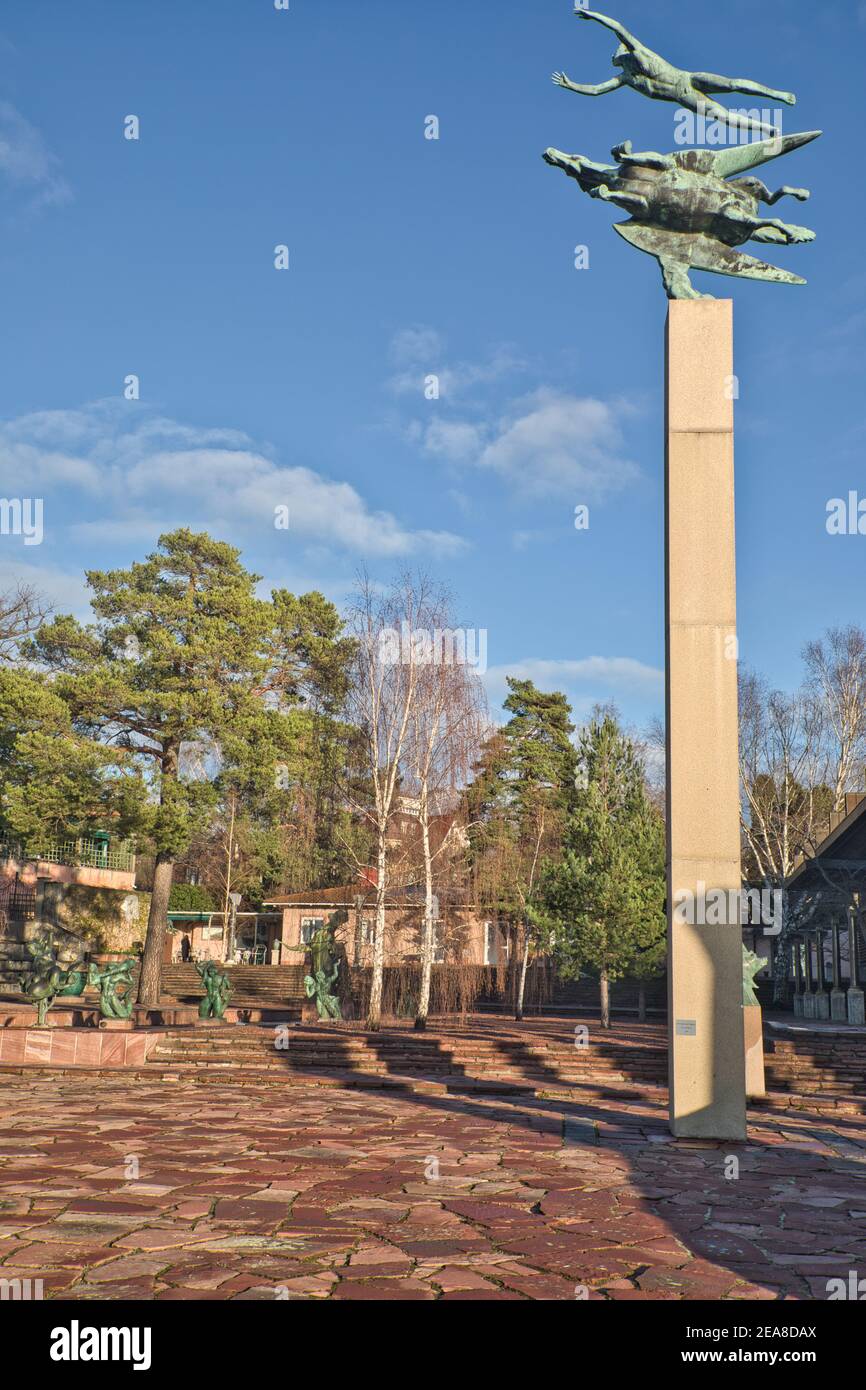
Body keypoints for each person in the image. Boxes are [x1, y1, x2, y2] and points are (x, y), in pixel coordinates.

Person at [553, 8, 795, 135]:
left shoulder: (640, 53)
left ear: (622, 53)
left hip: (689, 79)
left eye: (616, 51)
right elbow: (596, 90)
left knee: (732, 85)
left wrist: (592, 15)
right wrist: (571, 85)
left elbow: (617, 27)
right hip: (684, 97)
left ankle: (777, 94)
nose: (613, 55)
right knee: (724, 117)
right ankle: (768, 129)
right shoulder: (626, 79)